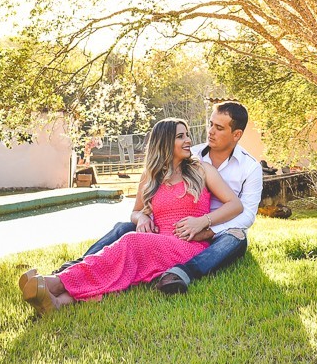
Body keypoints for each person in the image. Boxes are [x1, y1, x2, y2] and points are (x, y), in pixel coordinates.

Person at [18, 117, 243, 317]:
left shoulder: (202, 170)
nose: (188, 141)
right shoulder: (150, 176)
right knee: (120, 272)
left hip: (188, 246)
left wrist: (204, 221)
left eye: (187, 136)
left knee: (130, 241)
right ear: (164, 142)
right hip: (155, 243)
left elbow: (235, 205)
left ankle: (57, 282)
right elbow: (135, 211)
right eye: (180, 136)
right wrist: (142, 219)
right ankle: (59, 301)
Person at [54, 101, 264, 296]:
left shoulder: (250, 167)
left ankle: (181, 273)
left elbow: (246, 215)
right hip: (178, 228)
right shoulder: (192, 155)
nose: (210, 131)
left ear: (236, 135)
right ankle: (79, 265)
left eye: (219, 128)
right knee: (124, 227)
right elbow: (157, 191)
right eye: (211, 124)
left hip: (220, 230)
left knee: (235, 238)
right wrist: (144, 218)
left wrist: (206, 228)